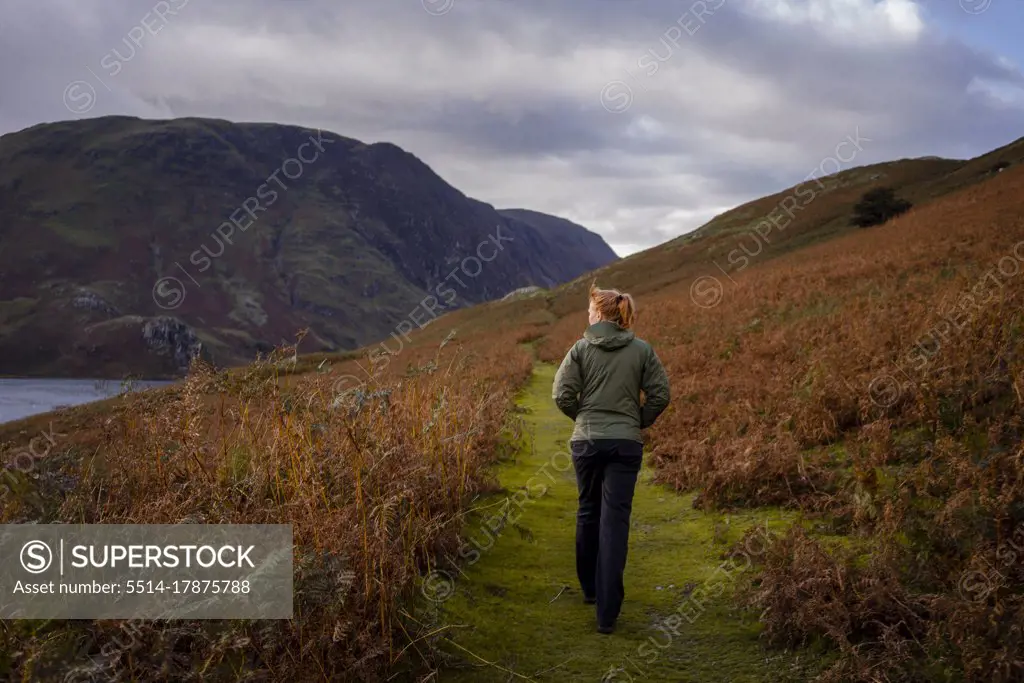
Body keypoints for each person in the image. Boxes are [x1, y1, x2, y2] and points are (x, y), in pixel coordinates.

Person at [552, 282, 671, 634]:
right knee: (615, 522)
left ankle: (589, 590)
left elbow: (561, 394)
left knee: (588, 510)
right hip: (625, 444)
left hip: (587, 443)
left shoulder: (579, 349)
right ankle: (608, 614)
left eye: (589, 310)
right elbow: (661, 394)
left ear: (600, 313)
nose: (586, 316)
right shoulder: (642, 350)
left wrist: (583, 419)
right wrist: (636, 420)